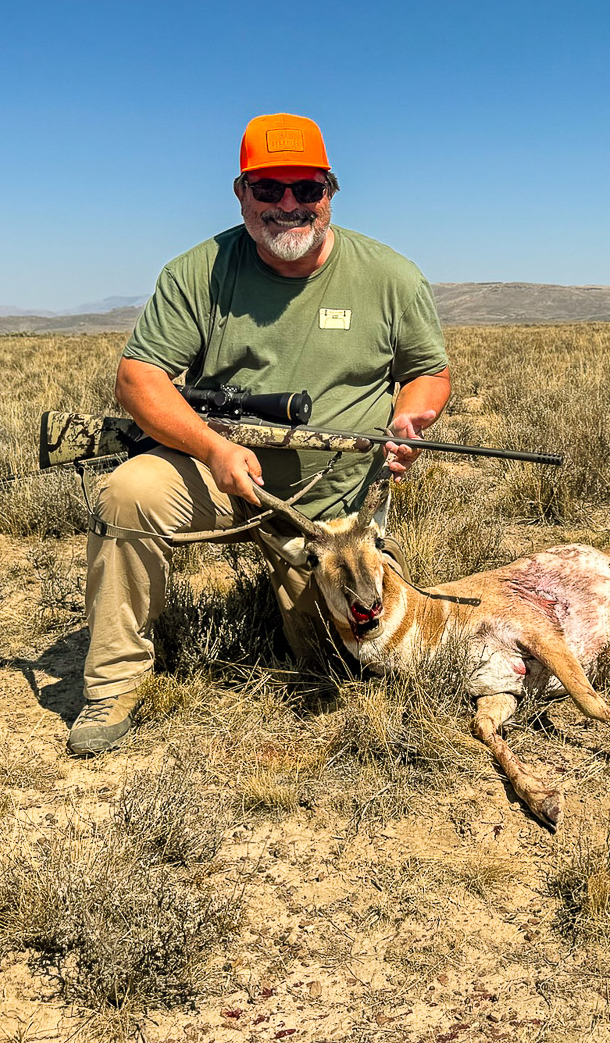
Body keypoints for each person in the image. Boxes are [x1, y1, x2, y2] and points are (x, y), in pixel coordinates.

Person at [68, 113, 451, 756]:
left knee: (343, 668)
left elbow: (428, 372)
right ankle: (112, 688)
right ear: (241, 192)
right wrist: (213, 448)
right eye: (268, 189)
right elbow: (138, 380)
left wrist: (412, 418)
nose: (289, 206)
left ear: (330, 191)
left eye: (307, 189)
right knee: (130, 492)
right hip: (224, 481)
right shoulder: (199, 271)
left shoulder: (391, 276)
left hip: (334, 514)